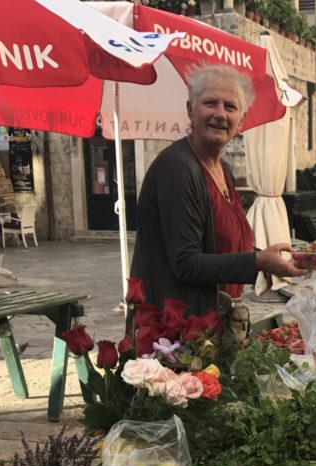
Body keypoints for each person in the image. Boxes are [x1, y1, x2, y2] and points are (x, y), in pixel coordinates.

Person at [130, 64, 305, 322]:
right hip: (174, 333)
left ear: (242, 120)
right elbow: (186, 264)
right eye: (210, 103)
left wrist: (271, 255)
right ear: (190, 110)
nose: (220, 114)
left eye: (230, 107)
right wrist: (259, 261)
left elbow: (218, 244)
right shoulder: (178, 169)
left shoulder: (222, 169)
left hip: (212, 323)